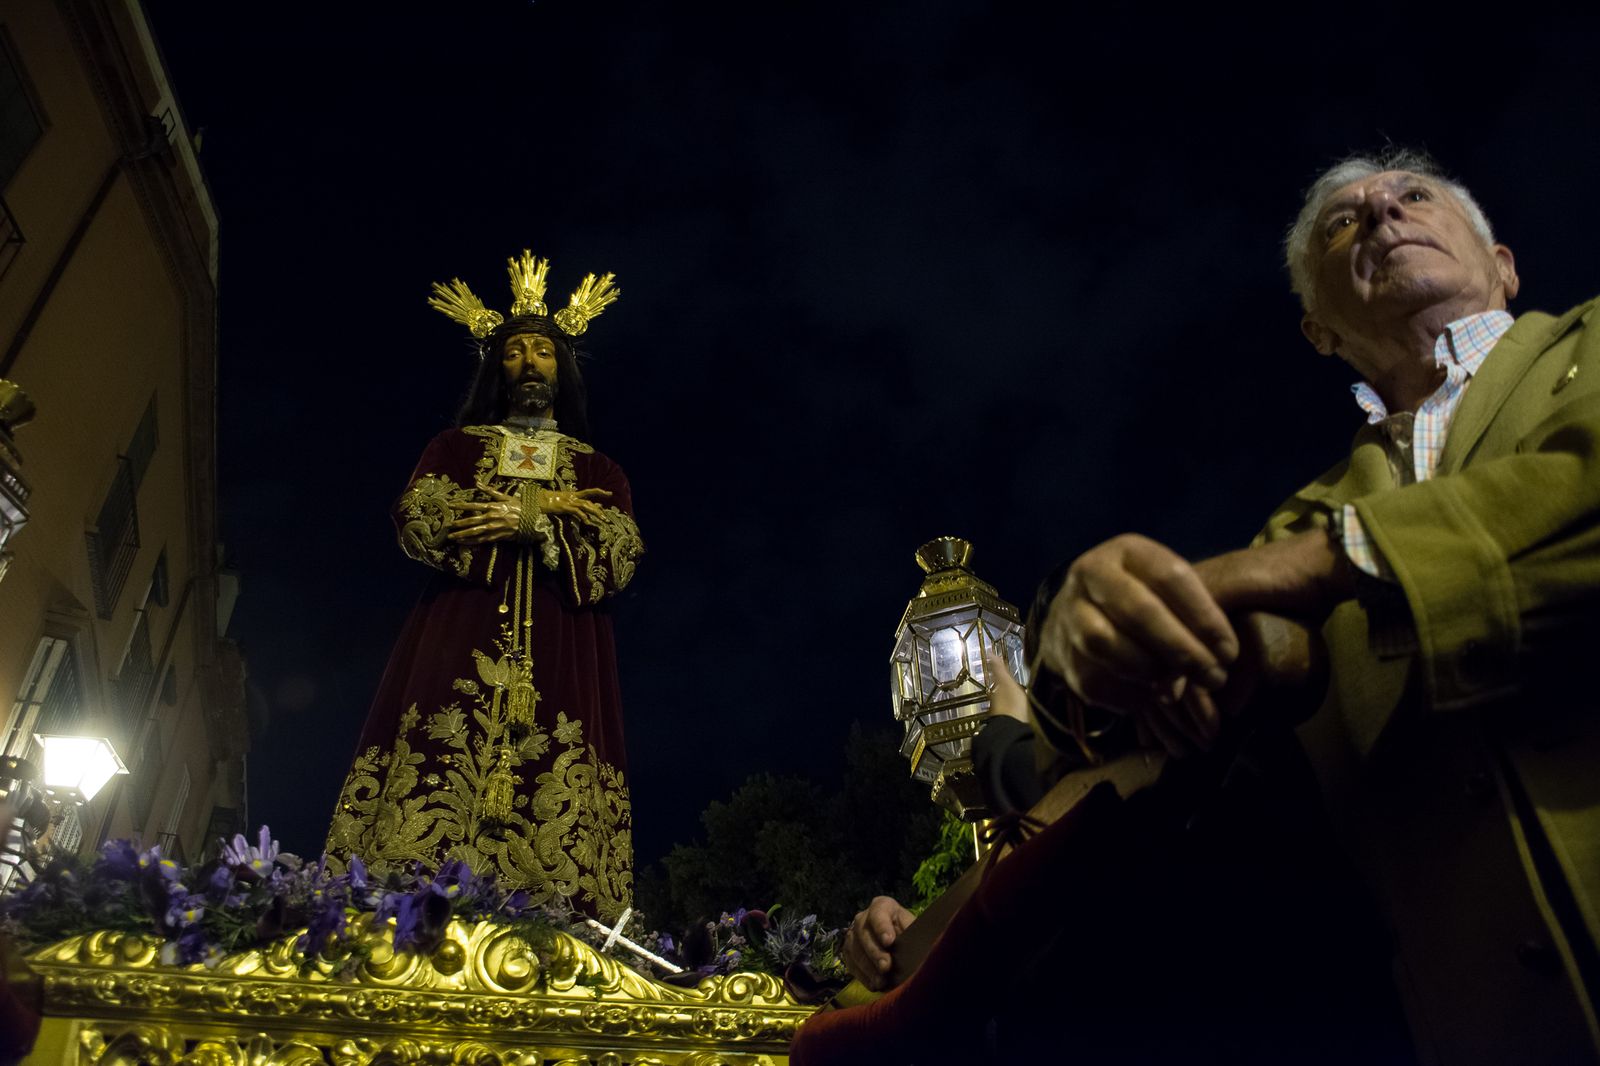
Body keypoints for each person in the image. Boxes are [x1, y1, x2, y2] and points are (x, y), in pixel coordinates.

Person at [839, 148, 1600, 1064]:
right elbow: (1155, 772)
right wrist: (918, 932)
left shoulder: (1585, 347)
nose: (1384, 215)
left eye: (1413, 195)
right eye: (1343, 221)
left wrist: (1246, 579)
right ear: (1317, 327)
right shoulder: (1301, 515)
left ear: (1505, 264)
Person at [326, 252, 644, 923]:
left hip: (563, 650)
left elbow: (620, 551)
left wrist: (537, 521)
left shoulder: (600, 467)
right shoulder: (455, 445)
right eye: (516, 354)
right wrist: (543, 511)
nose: (530, 364)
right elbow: (421, 515)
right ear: (496, 369)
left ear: (563, 369)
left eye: (543, 353)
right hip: (459, 634)